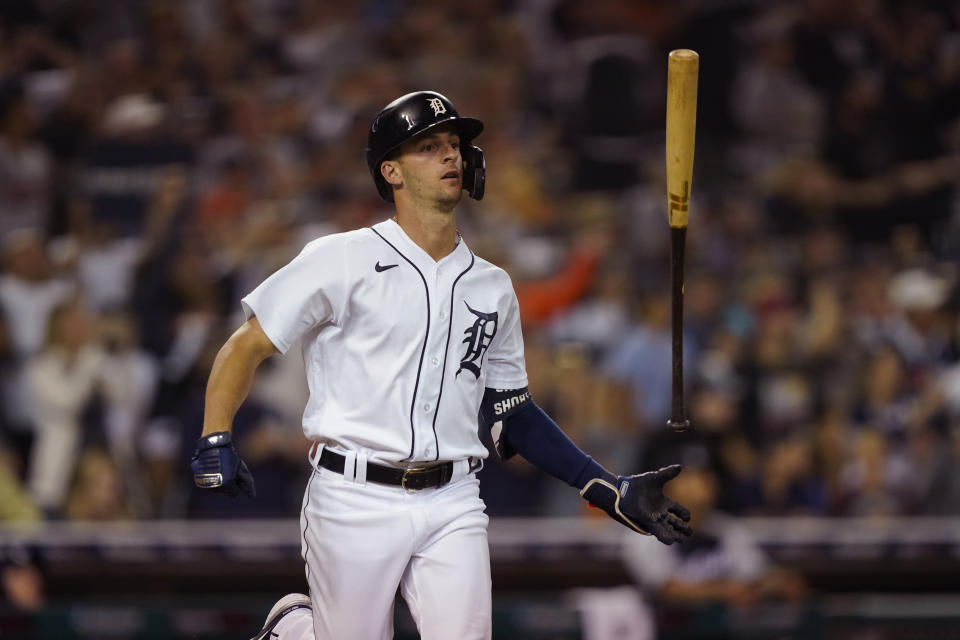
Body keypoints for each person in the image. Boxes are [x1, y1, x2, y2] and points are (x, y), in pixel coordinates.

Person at [190, 91, 692, 640]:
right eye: (428, 147)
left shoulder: (493, 286)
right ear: (392, 171)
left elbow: (512, 412)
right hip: (354, 493)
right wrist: (217, 435)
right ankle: (296, 629)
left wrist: (603, 485)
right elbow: (245, 345)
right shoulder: (341, 257)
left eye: (454, 144)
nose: (451, 155)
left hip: (453, 497)